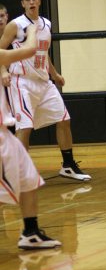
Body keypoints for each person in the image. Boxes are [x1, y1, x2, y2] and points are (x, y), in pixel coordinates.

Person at [0, 0, 91, 182]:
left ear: (39, 1)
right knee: (24, 128)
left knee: (64, 120)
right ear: (22, 3)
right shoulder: (15, 25)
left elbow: (44, 52)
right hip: (21, 82)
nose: (31, 2)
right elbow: (0, 50)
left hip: (43, 82)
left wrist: (55, 74)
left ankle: (68, 165)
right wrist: (3, 70)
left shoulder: (47, 24)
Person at [0, 22, 61, 250]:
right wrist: (33, 30)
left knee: (29, 179)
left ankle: (30, 232)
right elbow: (29, 50)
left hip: (5, 134)